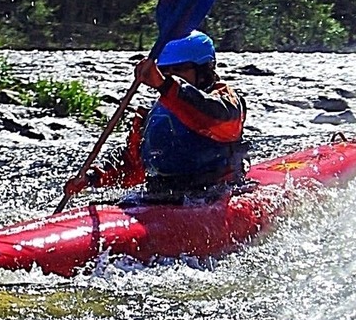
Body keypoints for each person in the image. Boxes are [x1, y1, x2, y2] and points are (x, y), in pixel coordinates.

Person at [63, 30, 249, 201]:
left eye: (177, 70)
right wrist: (92, 178)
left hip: (215, 194)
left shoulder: (226, 103)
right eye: (165, 71)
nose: (169, 77)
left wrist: (164, 85)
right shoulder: (155, 112)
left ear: (204, 69)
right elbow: (133, 166)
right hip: (165, 197)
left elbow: (209, 116)